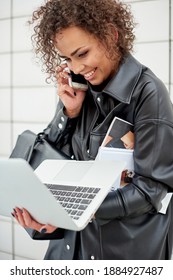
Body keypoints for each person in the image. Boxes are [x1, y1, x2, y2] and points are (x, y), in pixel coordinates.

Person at [12, 0, 173, 260]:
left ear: (111, 35)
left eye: (82, 53)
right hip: (69, 250)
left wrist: (74, 210)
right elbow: (51, 161)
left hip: (120, 254)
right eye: (67, 59)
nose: (76, 68)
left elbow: (150, 192)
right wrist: (68, 113)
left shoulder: (148, 93)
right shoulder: (79, 90)